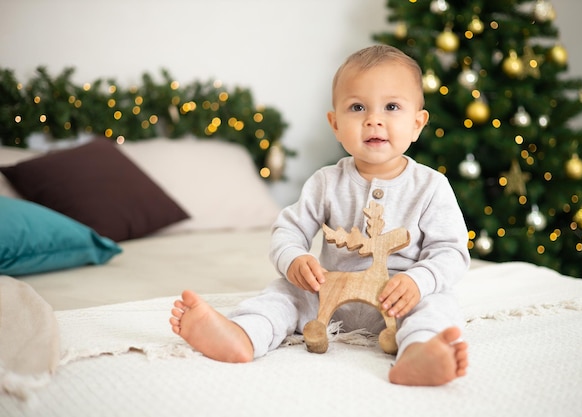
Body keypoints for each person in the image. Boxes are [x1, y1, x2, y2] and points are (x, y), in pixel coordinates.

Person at [170, 44, 470, 386]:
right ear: (336, 124)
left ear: (417, 123)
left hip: (399, 299)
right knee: (284, 294)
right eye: (357, 107)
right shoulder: (326, 182)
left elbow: (451, 252)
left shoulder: (431, 186)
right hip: (329, 292)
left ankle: (419, 352)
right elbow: (288, 231)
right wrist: (294, 259)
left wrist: (419, 281)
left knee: (439, 302)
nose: (374, 118)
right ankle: (243, 334)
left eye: (391, 106)